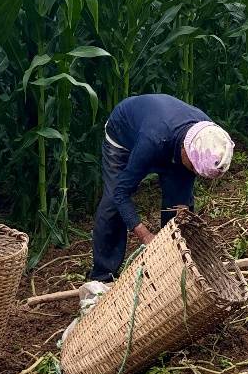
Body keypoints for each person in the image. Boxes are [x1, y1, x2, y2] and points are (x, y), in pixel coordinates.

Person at [77, 94, 235, 310]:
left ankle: (171, 268)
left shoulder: (208, 136)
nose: (194, 173)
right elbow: (122, 193)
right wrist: (145, 236)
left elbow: (183, 193)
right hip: (123, 136)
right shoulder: (153, 140)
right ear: (186, 152)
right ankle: (102, 277)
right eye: (193, 168)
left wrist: (181, 215)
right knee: (113, 205)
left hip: (169, 140)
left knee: (178, 206)